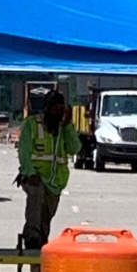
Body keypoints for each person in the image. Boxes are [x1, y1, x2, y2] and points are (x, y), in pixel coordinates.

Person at [17, 90, 81, 249]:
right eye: (56, 109)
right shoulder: (32, 124)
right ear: (47, 108)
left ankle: (39, 248)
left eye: (62, 109)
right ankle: (31, 236)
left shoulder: (63, 128)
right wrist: (31, 173)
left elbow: (74, 149)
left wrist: (68, 126)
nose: (59, 113)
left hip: (54, 183)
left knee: (45, 219)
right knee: (36, 199)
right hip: (35, 178)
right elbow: (24, 151)